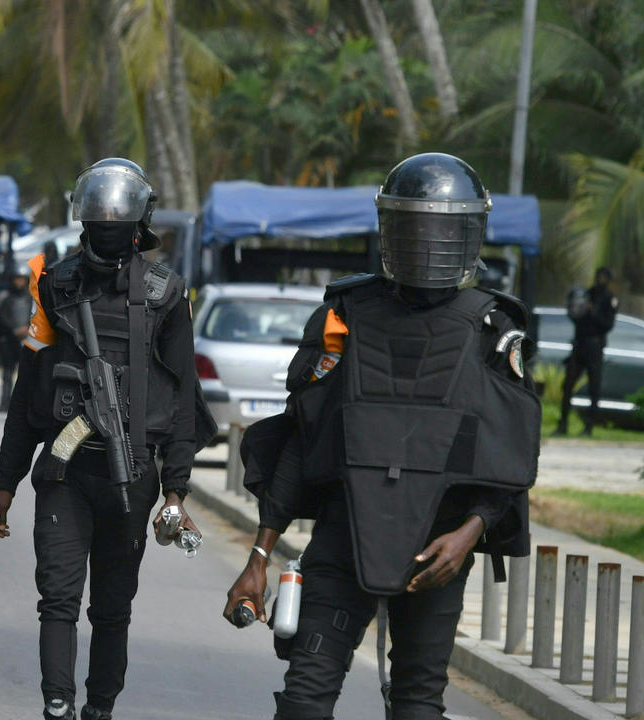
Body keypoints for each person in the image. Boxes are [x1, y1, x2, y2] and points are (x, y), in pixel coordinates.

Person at [225, 153, 540, 720]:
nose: (429, 242)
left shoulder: (496, 329)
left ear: (471, 231)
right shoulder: (341, 316)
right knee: (303, 701)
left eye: (444, 227)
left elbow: (512, 459)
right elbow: (303, 440)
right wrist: (259, 554)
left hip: (441, 546)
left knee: (418, 704)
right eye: (416, 226)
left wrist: (468, 535)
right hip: (345, 536)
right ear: (390, 227)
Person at [0, 158, 213, 720]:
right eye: (96, 223)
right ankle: (58, 704)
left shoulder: (166, 294)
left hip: (133, 473)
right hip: (64, 472)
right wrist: (5, 480)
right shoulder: (55, 283)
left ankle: (100, 708)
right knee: (58, 599)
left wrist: (176, 491)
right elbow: (28, 391)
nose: (104, 234)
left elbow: (183, 401)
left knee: (112, 609)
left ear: (138, 225)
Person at [554, 267, 617, 436]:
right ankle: (562, 424)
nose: (600, 280)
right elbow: (575, 315)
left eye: (604, 277)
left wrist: (592, 311)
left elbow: (608, 324)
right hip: (579, 344)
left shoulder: (609, 298)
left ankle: (589, 427)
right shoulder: (587, 293)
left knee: (593, 388)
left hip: (595, 347)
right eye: (599, 276)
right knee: (568, 385)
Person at [0, 268, 33, 412]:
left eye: (21, 279)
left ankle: (20, 406)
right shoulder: (5, 297)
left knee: (26, 375)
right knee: (7, 374)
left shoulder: (31, 298)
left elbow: (37, 317)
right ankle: (4, 402)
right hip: (8, 340)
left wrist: (27, 329)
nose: (19, 282)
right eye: (17, 279)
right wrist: (13, 331)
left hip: (26, 340)